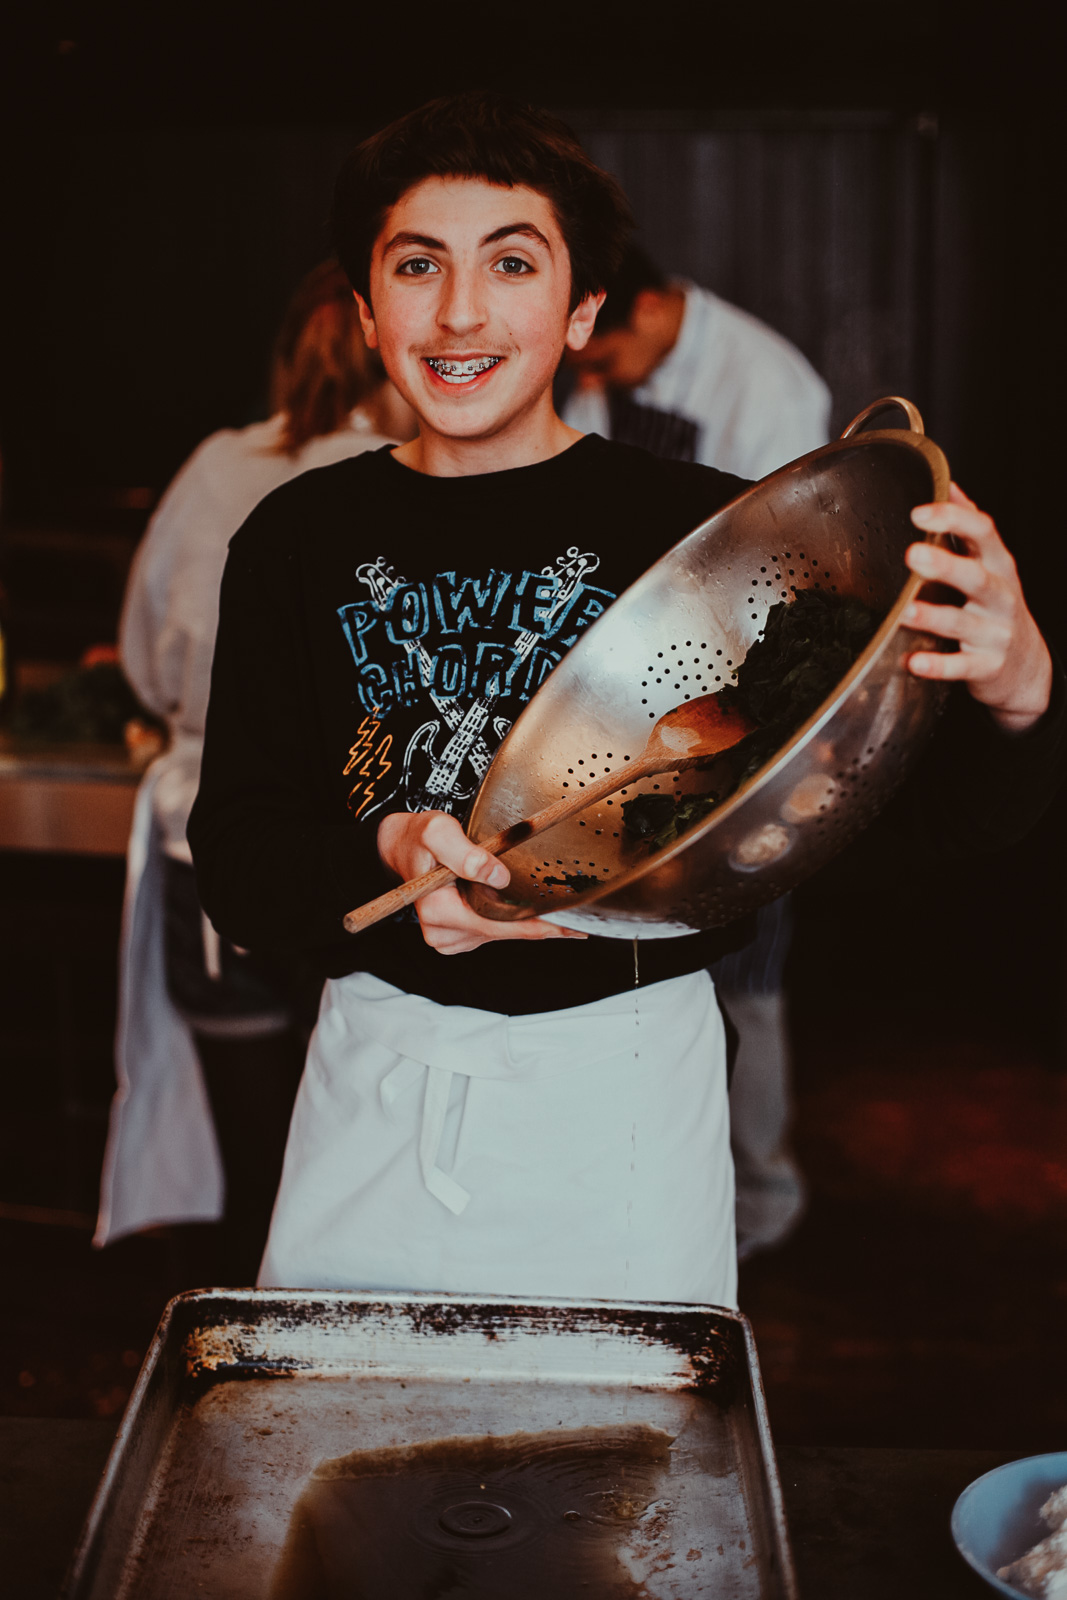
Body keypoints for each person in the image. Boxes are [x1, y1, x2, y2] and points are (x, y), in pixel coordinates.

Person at [188, 92, 1064, 1308]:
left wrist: (1020, 690)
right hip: (379, 1076)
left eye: (510, 262)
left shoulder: (705, 536)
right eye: (416, 266)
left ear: (581, 310)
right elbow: (235, 851)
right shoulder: (294, 537)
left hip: (628, 1091)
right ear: (365, 311)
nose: (458, 311)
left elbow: (903, 815)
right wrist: (383, 865)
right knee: (342, 1472)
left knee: (620, 1486)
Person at [95, 261, 415, 1277]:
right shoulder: (418, 477)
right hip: (376, 858)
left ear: (287, 356)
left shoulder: (213, 468)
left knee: (255, 1151)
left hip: (217, 850)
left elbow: (148, 661)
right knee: (370, 1146)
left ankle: (256, 1342)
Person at [564, 243, 832, 1260]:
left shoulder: (764, 385)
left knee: (745, 974)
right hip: (629, 715)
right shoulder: (604, 371)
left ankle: (760, 1199)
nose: (588, 377)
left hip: (749, 731)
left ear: (645, 312)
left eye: (602, 354)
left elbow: (786, 569)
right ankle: (650, 1196)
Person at [562, 242, 830, 478]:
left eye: (601, 364)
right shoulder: (612, 349)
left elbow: (787, 527)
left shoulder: (774, 391)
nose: (587, 381)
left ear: (649, 310)